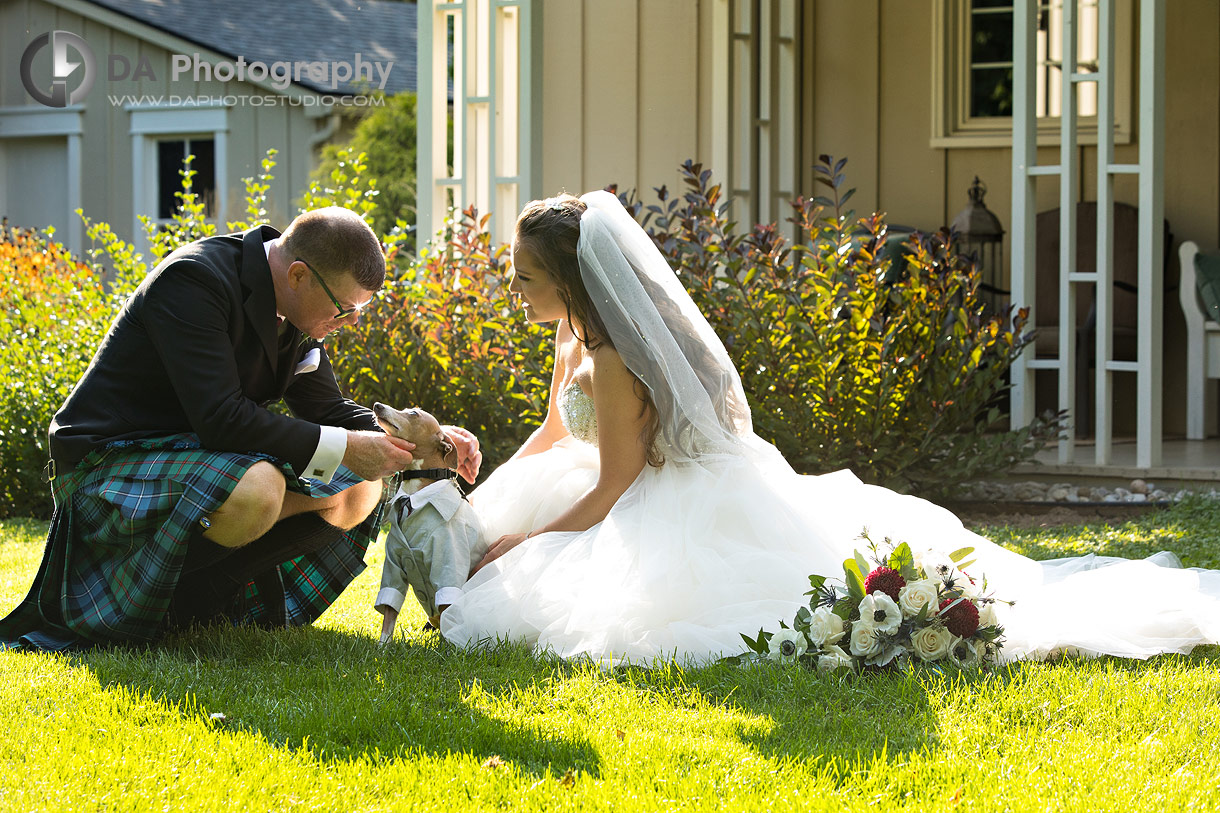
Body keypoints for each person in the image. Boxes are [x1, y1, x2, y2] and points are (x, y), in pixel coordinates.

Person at [439, 191, 1220, 666]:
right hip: (602, 480)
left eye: (526, 277)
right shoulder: (573, 331)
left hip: (655, 496)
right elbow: (552, 427)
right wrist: (494, 506)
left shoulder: (613, 359)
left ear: (570, 279)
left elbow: (615, 482)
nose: (515, 288)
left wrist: (527, 545)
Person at [0, 207, 480, 651]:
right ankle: (146, 608)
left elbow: (327, 407)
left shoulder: (297, 309)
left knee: (360, 488)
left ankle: (201, 605)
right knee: (259, 487)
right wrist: (345, 447)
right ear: (298, 275)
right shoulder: (193, 280)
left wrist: (423, 438)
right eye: (344, 309)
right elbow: (221, 417)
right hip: (108, 460)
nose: (348, 323)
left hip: (195, 455)